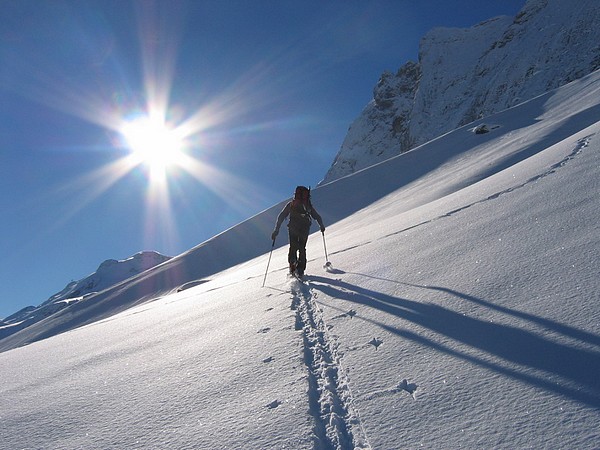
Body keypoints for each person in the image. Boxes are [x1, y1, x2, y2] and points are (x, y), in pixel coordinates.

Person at [271, 186, 325, 277]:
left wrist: (276, 230)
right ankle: (300, 270)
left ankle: (292, 265)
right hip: (305, 227)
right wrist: (321, 226)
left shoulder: (291, 204)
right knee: (302, 248)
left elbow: (281, 216)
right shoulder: (308, 205)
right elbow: (317, 216)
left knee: (293, 246)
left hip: (293, 227)